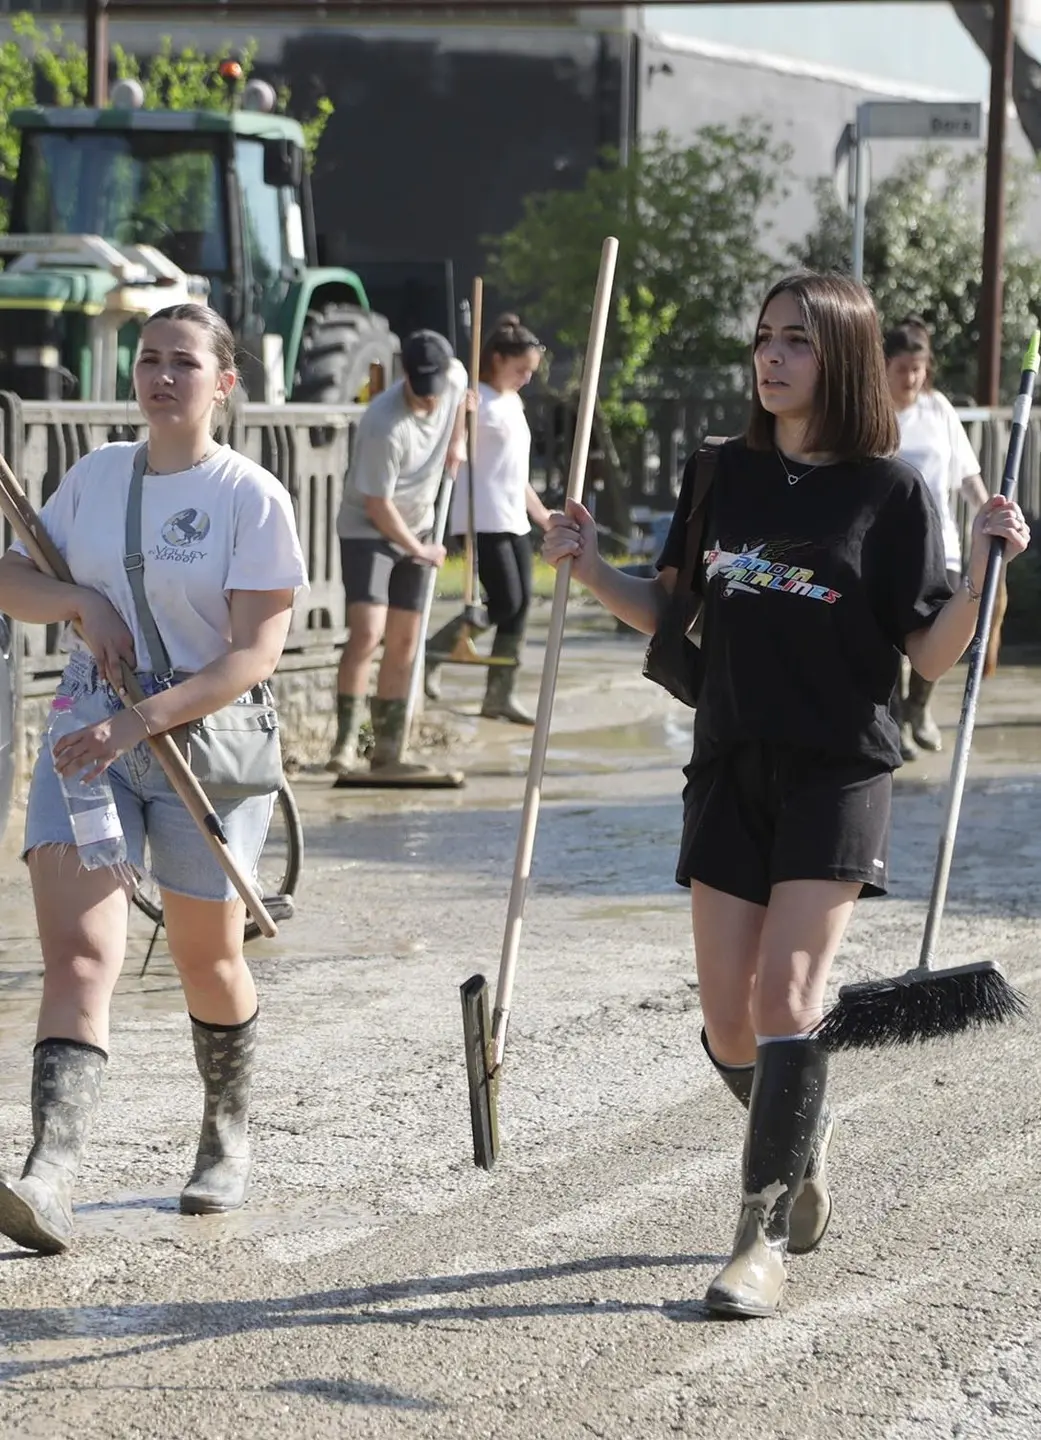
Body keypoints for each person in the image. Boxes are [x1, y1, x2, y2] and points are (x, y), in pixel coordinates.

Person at [542, 271, 1030, 1319]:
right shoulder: (721, 474)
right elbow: (667, 611)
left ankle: (755, 1241)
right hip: (728, 760)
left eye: (796, 341)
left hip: (838, 766)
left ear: (841, 356)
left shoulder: (892, 489)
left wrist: (988, 572)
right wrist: (587, 569)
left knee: (785, 999)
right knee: (729, 1025)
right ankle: (799, 1132)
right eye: (764, 337)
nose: (771, 357)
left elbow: (932, 657)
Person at [0, 302, 309, 1255]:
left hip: (203, 747)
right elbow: (12, 578)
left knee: (206, 959)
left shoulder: (250, 497)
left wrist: (143, 717)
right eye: (148, 360)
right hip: (85, 741)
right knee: (79, 957)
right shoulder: (93, 478)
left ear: (224, 383)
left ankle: (225, 1131)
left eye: (184, 362)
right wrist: (78, 601)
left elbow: (254, 654)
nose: (161, 376)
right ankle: (49, 1174)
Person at [327, 330, 468, 779]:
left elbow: (463, 398)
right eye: (422, 391)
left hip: (421, 522)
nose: (430, 402)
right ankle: (346, 742)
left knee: (406, 639)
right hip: (370, 529)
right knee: (368, 633)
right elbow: (377, 505)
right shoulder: (383, 424)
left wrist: (457, 439)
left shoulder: (455, 378)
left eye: (437, 390)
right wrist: (418, 548)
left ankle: (386, 749)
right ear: (405, 374)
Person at [424, 314, 552, 724]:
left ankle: (499, 695)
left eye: (531, 372)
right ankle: (433, 652)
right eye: (521, 370)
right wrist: (463, 417)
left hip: (514, 515)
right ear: (497, 359)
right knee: (505, 600)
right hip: (483, 514)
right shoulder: (471, 396)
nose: (526, 379)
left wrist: (542, 514)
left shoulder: (513, 402)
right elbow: (449, 446)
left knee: (520, 606)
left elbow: (517, 472)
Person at [885, 315, 990, 760]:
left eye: (918, 368)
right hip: (882, 544)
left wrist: (989, 512)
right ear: (883, 366)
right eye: (902, 369)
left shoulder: (939, 410)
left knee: (938, 625)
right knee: (888, 638)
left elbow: (967, 475)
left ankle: (918, 708)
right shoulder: (870, 409)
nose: (911, 378)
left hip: (938, 541)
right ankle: (892, 721)